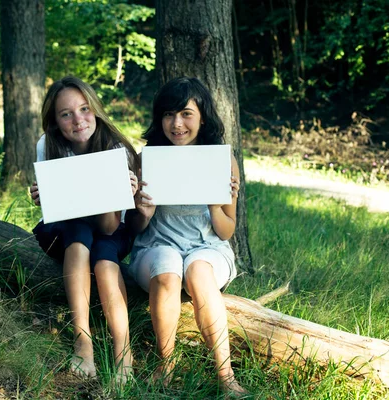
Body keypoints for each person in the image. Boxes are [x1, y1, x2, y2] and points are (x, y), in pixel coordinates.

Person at [126, 77, 247, 396]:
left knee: (199, 269)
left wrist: (213, 199)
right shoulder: (148, 158)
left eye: (185, 114)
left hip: (207, 248)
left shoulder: (222, 159)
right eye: (168, 115)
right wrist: (143, 212)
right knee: (167, 266)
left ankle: (226, 375)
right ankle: (165, 365)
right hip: (156, 247)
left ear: (202, 116)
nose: (176, 123)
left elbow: (227, 230)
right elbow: (135, 228)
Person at [29, 77, 139, 382]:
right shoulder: (47, 144)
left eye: (84, 109)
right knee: (78, 237)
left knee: (103, 256)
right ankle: (83, 341)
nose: (78, 120)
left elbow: (109, 226)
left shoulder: (117, 148)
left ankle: (123, 352)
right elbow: (61, 212)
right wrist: (42, 197)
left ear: (96, 110)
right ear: (54, 121)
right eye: (66, 114)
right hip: (71, 227)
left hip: (111, 229)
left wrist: (116, 193)